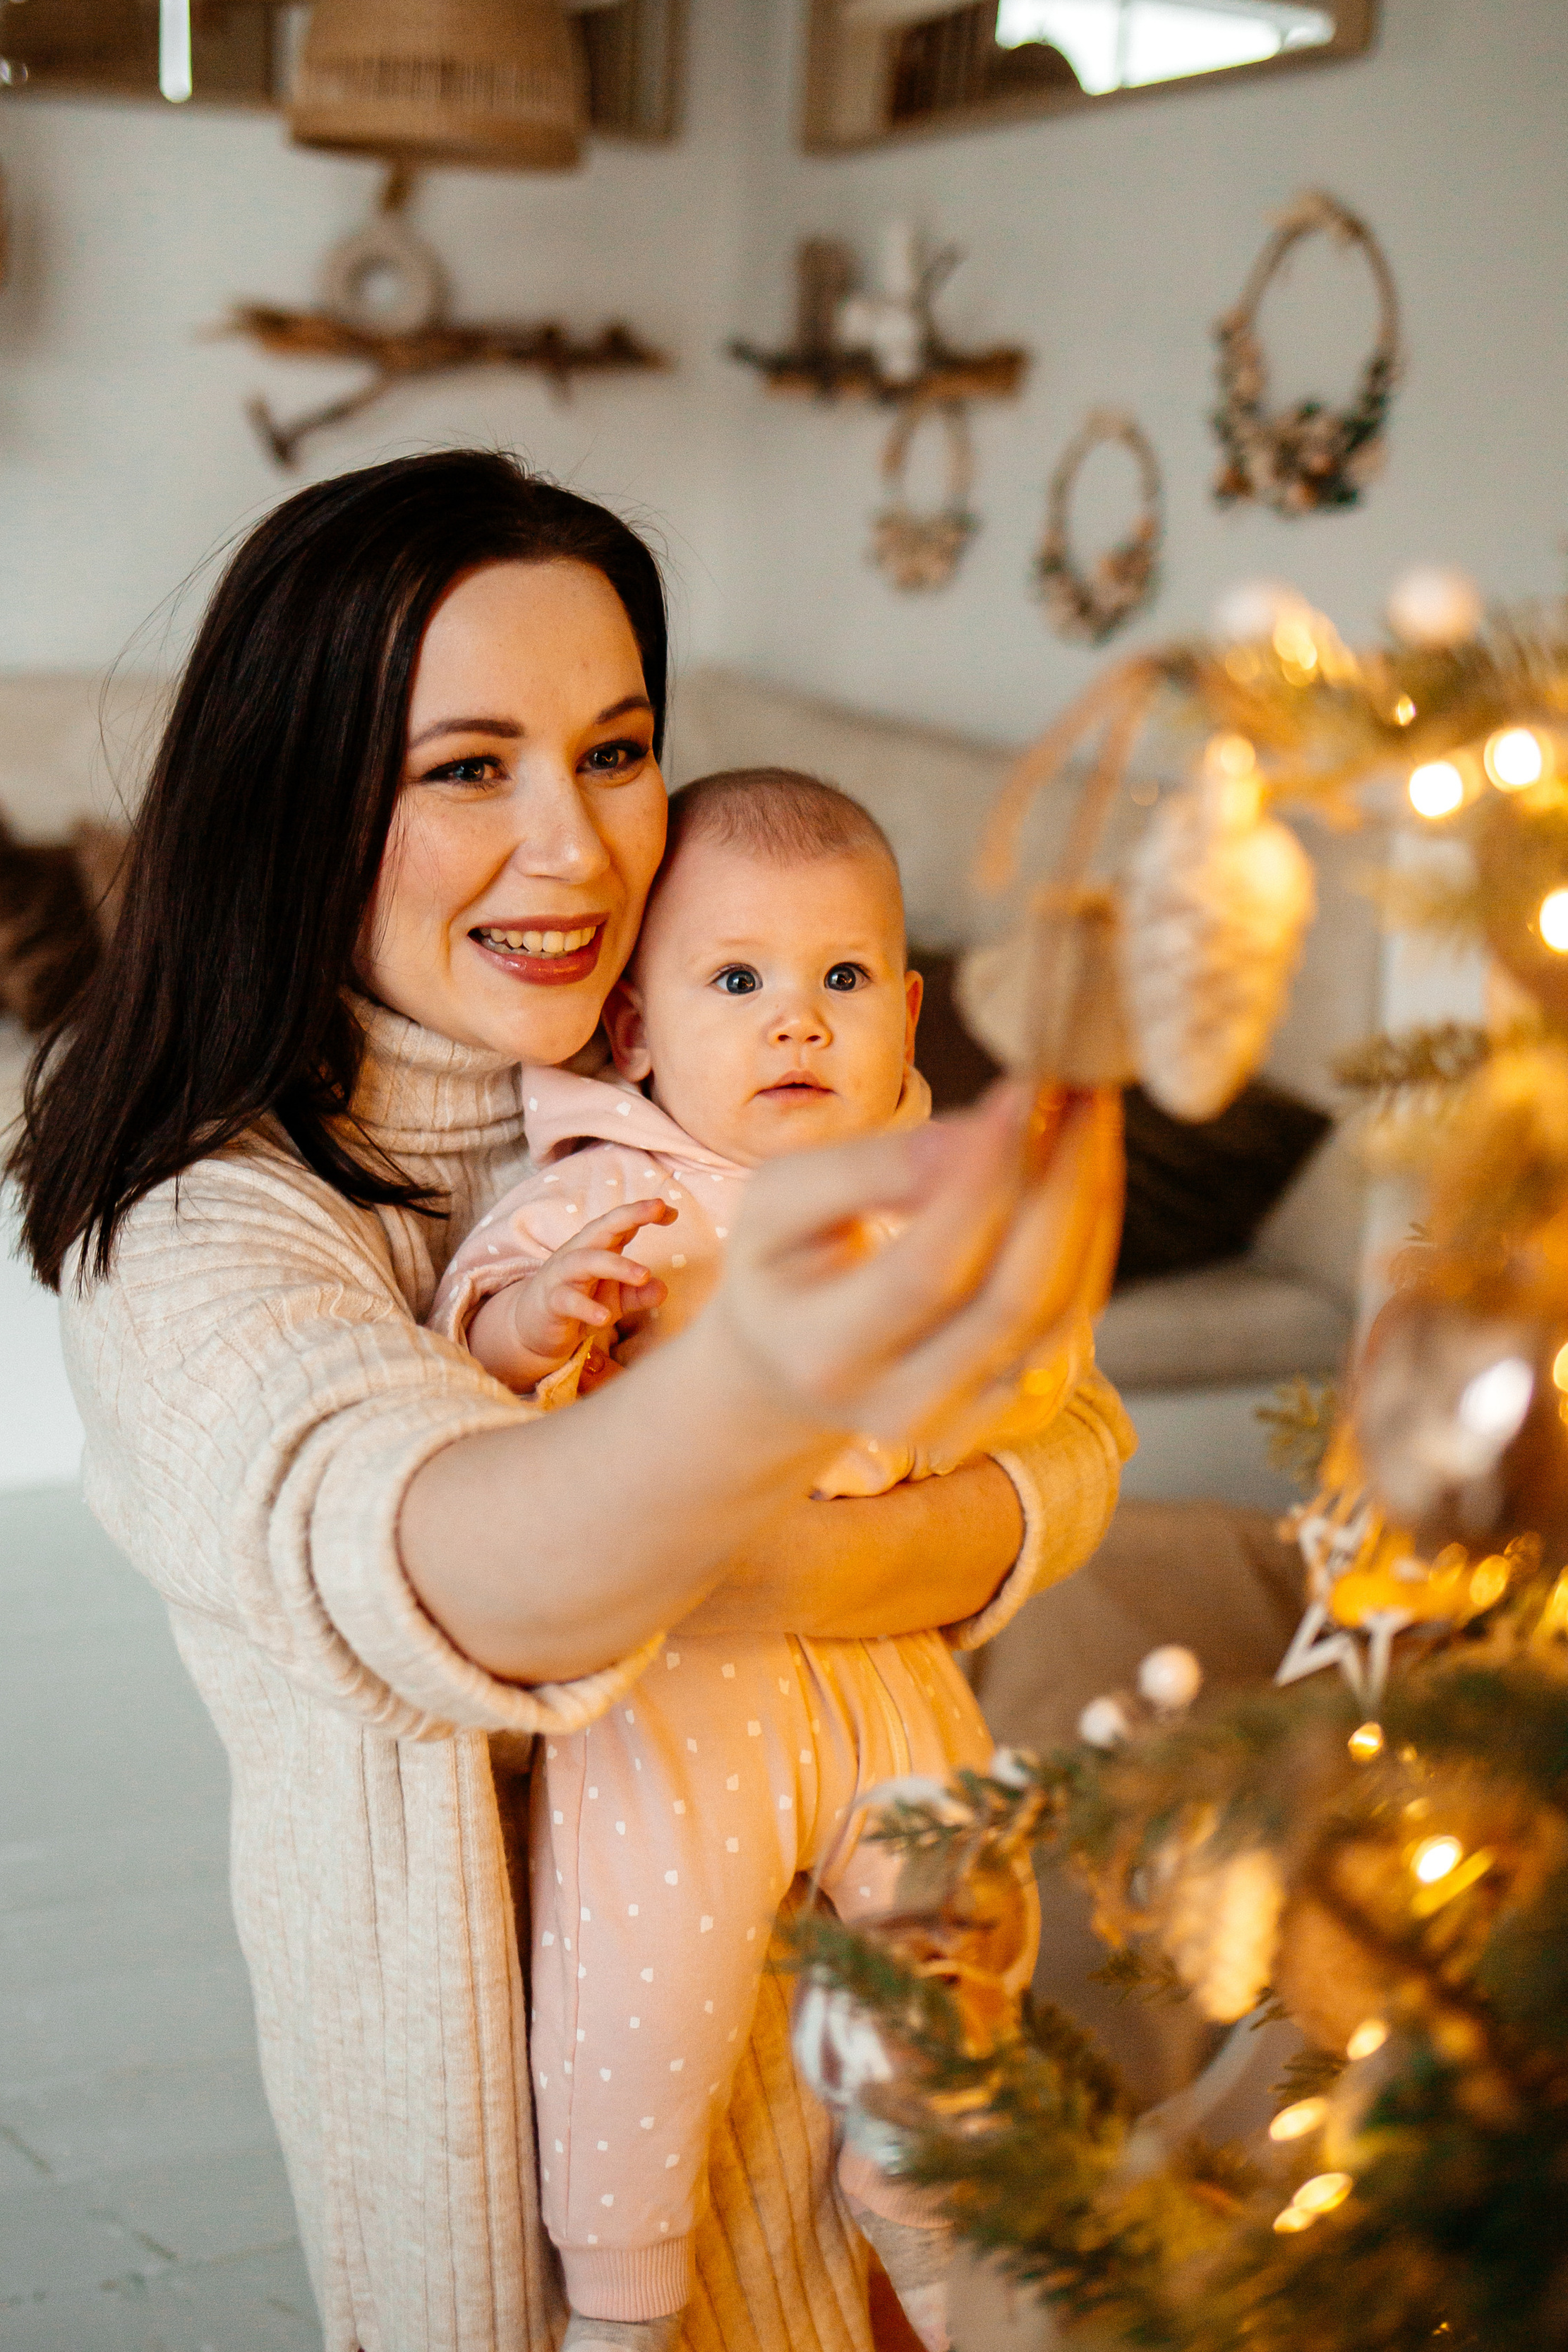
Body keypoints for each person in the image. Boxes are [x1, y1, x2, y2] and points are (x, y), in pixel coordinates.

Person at [8, 452, 1130, 2352]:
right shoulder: (204, 1233)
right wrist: (789, 1405)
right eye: (467, 768)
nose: (581, 850)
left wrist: (833, 1537)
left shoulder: (757, 1080)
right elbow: (453, 1566)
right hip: (544, 2236)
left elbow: (1072, 1445)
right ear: (299, 803)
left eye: (618, 753)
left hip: (899, 2153)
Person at [434, 763, 1087, 2351]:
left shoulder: (933, 1205)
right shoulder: (612, 1193)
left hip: (893, 1686)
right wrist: (545, 1315)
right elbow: (473, 1338)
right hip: (681, 1711)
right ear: (637, 1032)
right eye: (737, 981)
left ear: (908, 1016)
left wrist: (982, 1372)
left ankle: (938, 2251)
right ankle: (624, 2297)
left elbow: (1046, 1378)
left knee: (952, 1947)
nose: (796, 1022)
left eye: (840, 980)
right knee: (635, 2001)